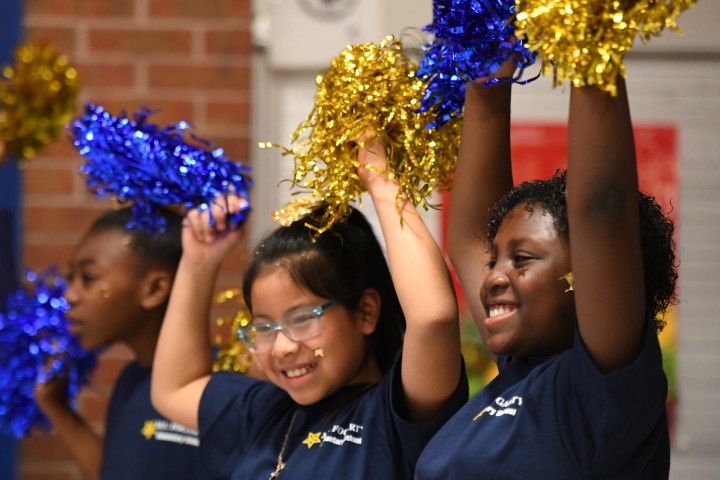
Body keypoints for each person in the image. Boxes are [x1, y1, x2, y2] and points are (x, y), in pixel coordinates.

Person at [414, 60, 677, 478]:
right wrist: (487, 72)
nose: (493, 277)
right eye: (494, 259)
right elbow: (468, 236)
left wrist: (587, 40)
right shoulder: (519, 370)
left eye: (522, 260)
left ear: (585, 277)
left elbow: (602, 209)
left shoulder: (597, 388)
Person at [151, 134, 468, 479]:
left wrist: (380, 180)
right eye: (264, 328)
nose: (283, 347)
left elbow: (433, 318)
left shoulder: (396, 412)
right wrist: (198, 262)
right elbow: (173, 389)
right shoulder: (266, 412)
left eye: (302, 320)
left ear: (365, 312)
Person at [34, 207, 211, 480]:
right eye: (72, 278)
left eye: (88, 278)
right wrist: (56, 405)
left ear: (155, 289)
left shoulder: (216, 385)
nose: (69, 295)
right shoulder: (131, 380)